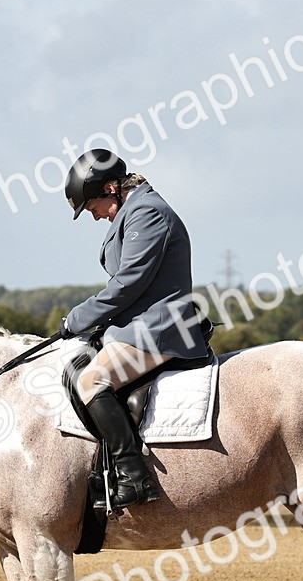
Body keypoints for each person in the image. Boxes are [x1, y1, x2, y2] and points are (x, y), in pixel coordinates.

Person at [59, 149, 208, 509]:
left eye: (92, 206)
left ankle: (134, 476)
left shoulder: (147, 212)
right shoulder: (133, 212)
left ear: (110, 187)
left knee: (92, 381)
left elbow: (128, 283)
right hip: (139, 325)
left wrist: (78, 318)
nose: (94, 216)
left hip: (161, 328)